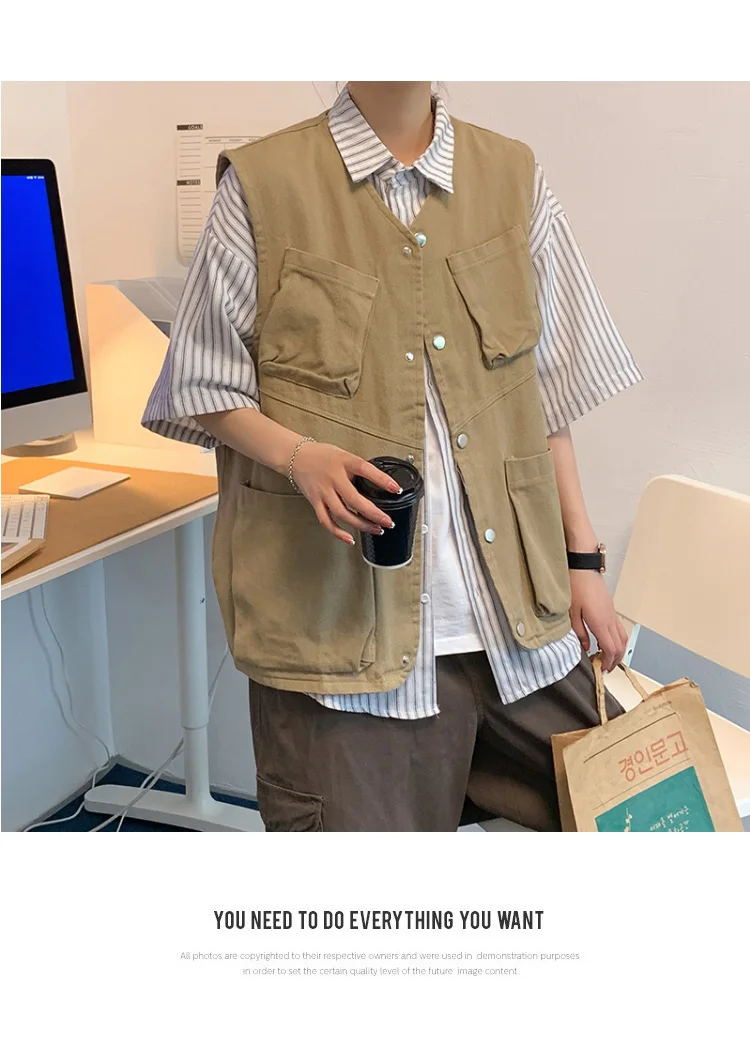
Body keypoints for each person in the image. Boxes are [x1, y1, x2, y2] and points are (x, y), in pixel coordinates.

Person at [143, 81, 642, 832]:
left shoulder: (514, 177)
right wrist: (300, 456)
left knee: (659, 812)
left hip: (518, 627)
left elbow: (547, 395)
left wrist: (583, 564)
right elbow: (200, 383)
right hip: (340, 643)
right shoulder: (263, 185)